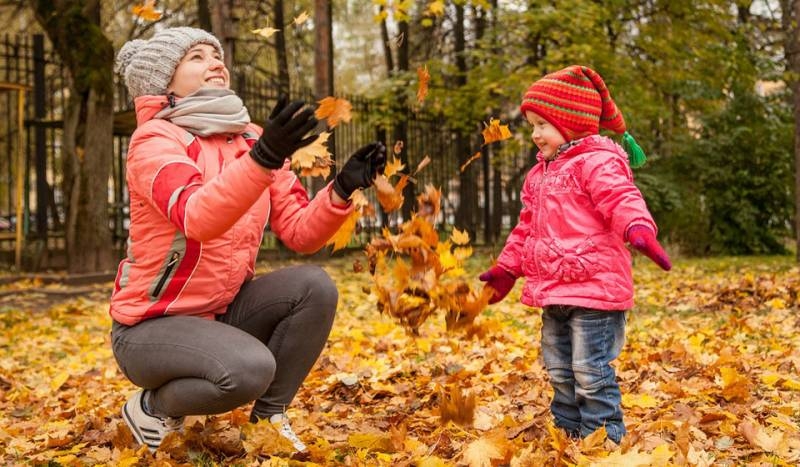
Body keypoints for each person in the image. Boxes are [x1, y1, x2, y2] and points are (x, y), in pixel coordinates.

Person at [110, 27, 386, 455]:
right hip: (150, 327)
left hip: (221, 313)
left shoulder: (251, 138)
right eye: (196, 57)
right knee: (248, 370)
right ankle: (153, 405)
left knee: (315, 286)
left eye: (216, 55)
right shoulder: (155, 141)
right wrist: (262, 160)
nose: (215, 62)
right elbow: (197, 216)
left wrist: (340, 190)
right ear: (164, 82)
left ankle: (269, 421)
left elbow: (298, 232)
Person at [478, 65, 671, 444]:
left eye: (542, 124)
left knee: (590, 370)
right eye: (532, 124)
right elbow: (526, 228)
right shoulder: (540, 175)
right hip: (555, 290)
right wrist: (507, 268)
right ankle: (566, 435)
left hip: (595, 292)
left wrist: (639, 230)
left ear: (571, 122)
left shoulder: (598, 162)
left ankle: (602, 439)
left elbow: (621, 199)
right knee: (559, 369)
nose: (534, 134)